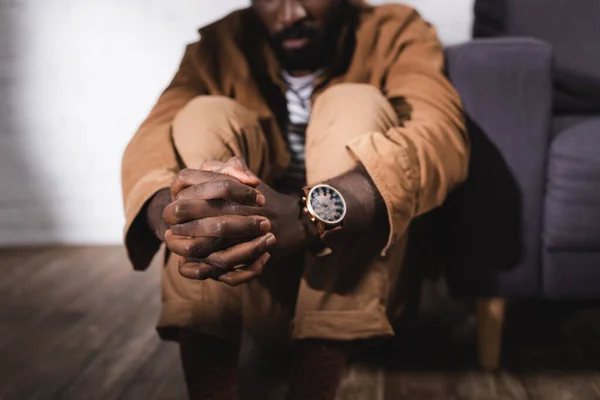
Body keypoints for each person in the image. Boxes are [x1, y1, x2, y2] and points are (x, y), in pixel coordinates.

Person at [121, 0, 469, 399]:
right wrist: (178, 217)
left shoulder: (394, 29)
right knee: (203, 115)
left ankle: (314, 384)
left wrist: (308, 216)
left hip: (369, 294)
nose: (290, 14)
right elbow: (149, 145)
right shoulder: (219, 44)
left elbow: (441, 136)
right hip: (254, 284)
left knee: (352, 101)